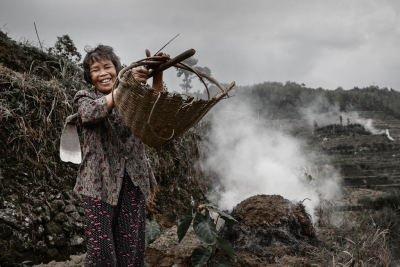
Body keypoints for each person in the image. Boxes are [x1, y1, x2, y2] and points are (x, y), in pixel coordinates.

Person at [73, 45, 165, 266]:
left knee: (129, 250)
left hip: (133, 181)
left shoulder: (135, 96)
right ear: (89, 76)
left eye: (108, 66)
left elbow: (157, 114)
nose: (103, 73)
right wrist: (126, 86)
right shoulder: (84, 97)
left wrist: (157, 75)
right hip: (98, 184)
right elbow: (90, 114)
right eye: (96, 69)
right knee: (101, 252)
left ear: (117, 69)